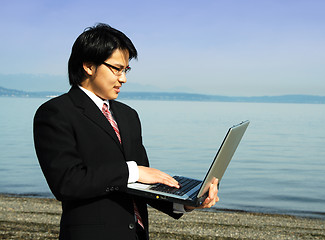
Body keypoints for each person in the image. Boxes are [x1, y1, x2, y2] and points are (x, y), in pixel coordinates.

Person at [33, 23, 219, 240]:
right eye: (117, 69)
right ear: (88, 66)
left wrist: (187, 202)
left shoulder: (128, 115)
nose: (123, 78)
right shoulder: (56, 112)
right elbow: (67, 182)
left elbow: (144, 185)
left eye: (126, 70)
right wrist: (134, 171)